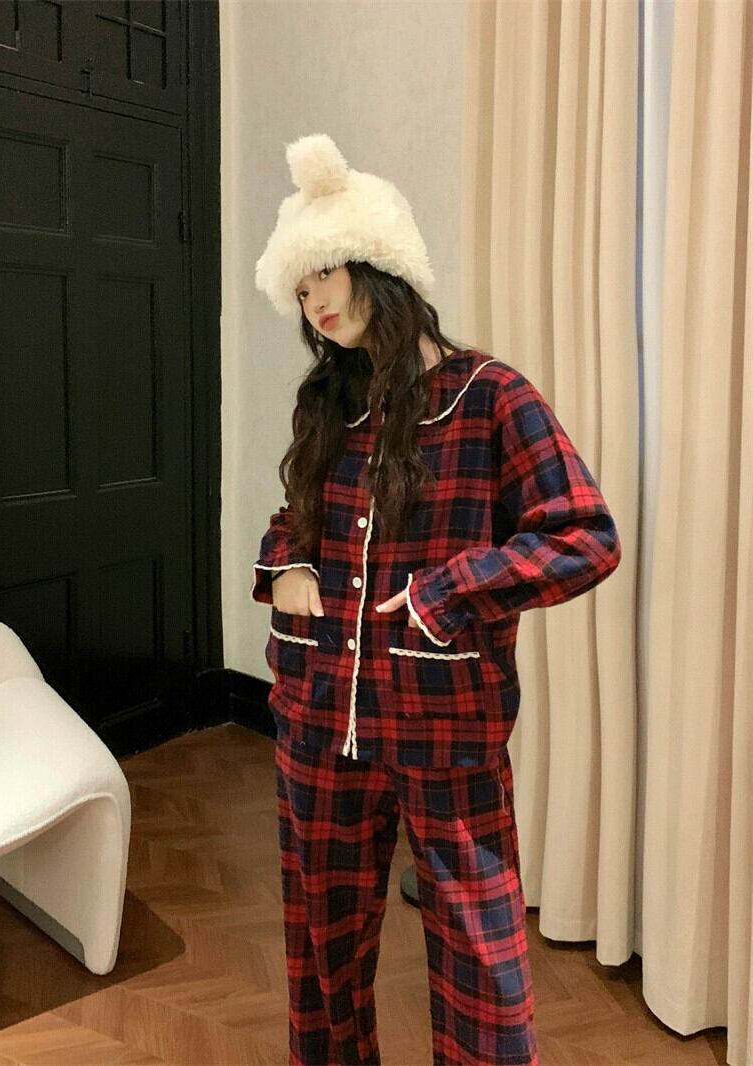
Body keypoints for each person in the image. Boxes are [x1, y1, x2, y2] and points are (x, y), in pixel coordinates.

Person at [250, 133, 622, 1066]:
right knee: (322, 957)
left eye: (326, 270)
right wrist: (282, 565)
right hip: (317, 719)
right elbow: (293, 518)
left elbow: (584, 536)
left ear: (383, 265)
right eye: (300, 285)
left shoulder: (491, 397)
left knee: (481, 966)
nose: (314, 299)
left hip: (444, 723)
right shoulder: (325, 405)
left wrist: (449, 592)